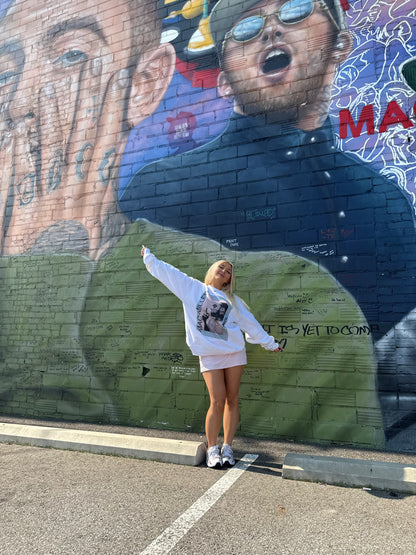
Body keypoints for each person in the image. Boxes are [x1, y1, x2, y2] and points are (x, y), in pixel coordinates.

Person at [120, 0, 416, 434]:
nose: (270, 29)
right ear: (224, 82)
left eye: (296, 10)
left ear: (340, 46)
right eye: (245, 29)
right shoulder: (162, 189)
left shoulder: (385, 203)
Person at [0, 0, 175, 259]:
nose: (18, 104)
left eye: (71, 55)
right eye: (4, 75)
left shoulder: (203, 272)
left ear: (145, 86)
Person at [141, 244, 283, 467]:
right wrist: (150, 258)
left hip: (234, 353)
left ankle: (228, 447)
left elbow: (250, 324)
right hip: (209, 355)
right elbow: (170, 274)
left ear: (229, 280)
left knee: (232, 399)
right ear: (213, 269)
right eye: (222, 267)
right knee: (217, 400)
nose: (224, 271)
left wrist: (270, 343)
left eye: (229, 272)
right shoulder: (193, 288)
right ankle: (212, 448)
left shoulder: (233, 301)